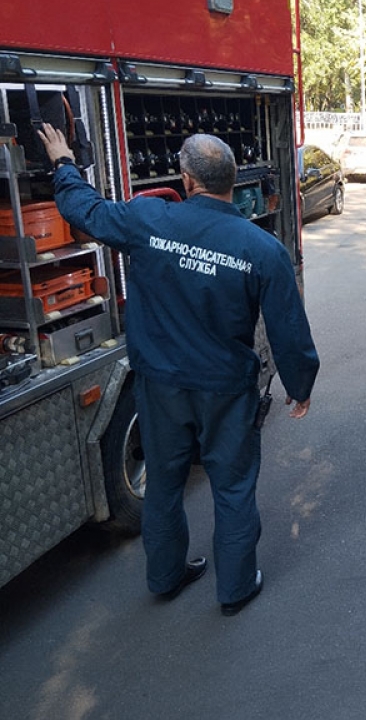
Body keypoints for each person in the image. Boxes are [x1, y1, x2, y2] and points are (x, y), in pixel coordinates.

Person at [38, 124, 319, 616]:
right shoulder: (261, 248)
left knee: (165, 482)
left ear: (186, 179)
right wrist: (301, 386)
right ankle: (234, 588)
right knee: (232, 486)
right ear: (234, 182)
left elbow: (84, 211)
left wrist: (64, 163)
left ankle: (166, 577)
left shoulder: (148, 220)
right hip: (225, 390)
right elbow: (288, 329)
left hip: (160, 384)